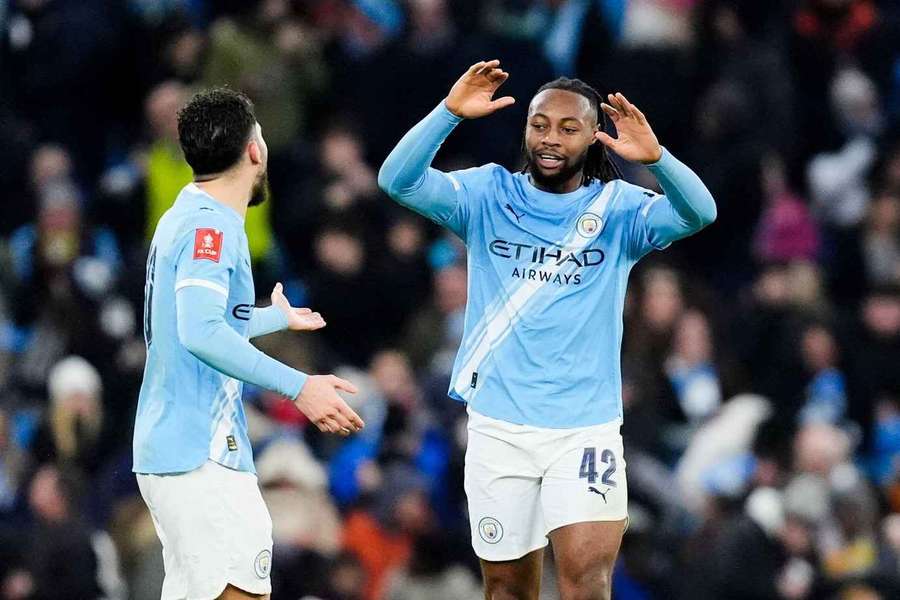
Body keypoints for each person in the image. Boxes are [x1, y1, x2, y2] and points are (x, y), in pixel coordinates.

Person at [378, 59, 717, 599]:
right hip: (497, 429)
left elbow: (700, 212)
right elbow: (396, 180)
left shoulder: (618, 210)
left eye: (568, 127)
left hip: (585, 431)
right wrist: (448, 113)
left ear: (593, 138)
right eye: (539, 124)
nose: (550, 139)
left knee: (587, 581)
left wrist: (659, 158)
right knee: (507, 589)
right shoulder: (487, 196)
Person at [133, 88, 365, 600]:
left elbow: (189, 324)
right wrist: (298, 386)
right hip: (200, 452)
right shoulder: (209, 228)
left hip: (180, 447)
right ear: (254, 150)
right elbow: (199, 332)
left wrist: (267, 319)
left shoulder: (188, 215)